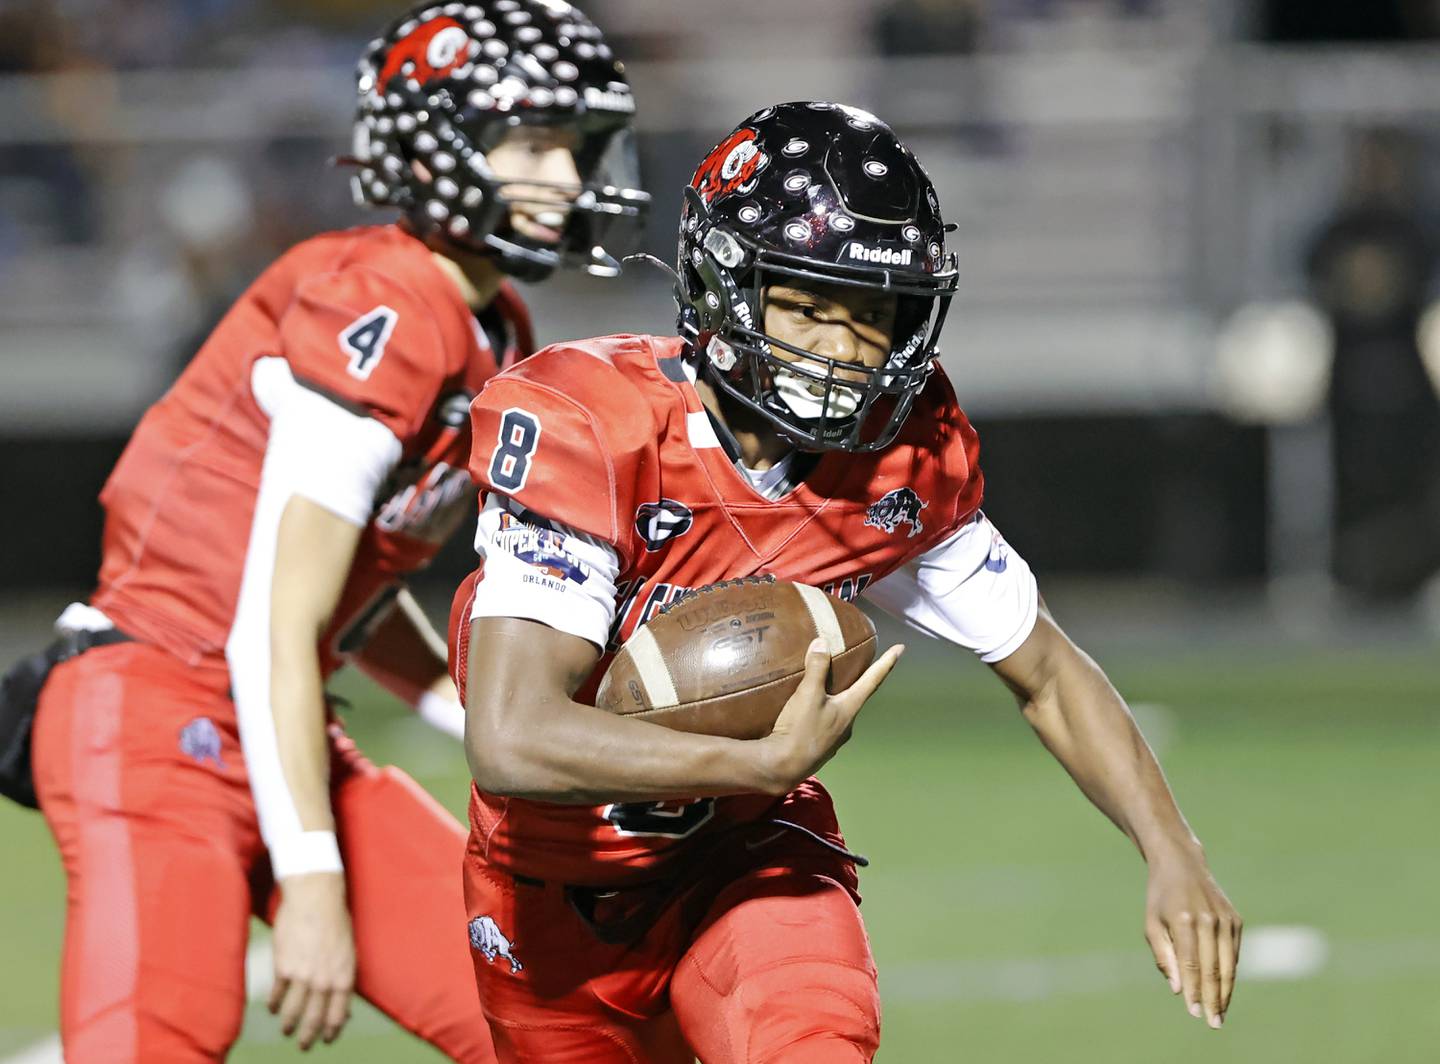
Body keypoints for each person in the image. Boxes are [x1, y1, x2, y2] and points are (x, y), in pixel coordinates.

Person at [448, 102, 1241, 1062]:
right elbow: (513, 735)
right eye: (811, 304)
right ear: (726, 283)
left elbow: (1048, 671)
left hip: (747, 861)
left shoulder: (896, 463)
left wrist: (1174, 853)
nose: (841, 347)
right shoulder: (594, 426)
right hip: (549, 896)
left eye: (871, 315)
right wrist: (752, 763)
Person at [23, 2, 647, 1060]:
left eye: (576, 149)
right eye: (535, 144)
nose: (568, 181)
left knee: (555, 1030)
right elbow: (278, 612)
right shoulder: (391, 300)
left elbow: (343, 594)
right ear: (440, 147)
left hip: (272, 719)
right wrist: (313, 876)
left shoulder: (491, 321)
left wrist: (479, 713)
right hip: (152, 709)